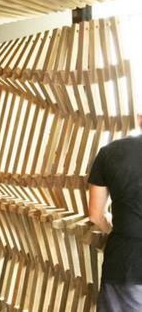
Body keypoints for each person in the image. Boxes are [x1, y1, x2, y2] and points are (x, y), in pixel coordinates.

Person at [88, 113, 142, 312]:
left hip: (125, 264)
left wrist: (110, 225)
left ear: (139, 118)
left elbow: (95, 215)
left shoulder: (109, 153)